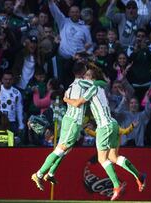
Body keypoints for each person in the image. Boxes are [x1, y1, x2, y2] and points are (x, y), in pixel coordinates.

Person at [63, 65, 146, 201]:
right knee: (113, 157)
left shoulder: (92, 87)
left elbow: (78, 103)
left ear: (92, 78)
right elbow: (102, 82)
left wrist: (66, 99)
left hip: (104, 126)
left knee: (102, 159)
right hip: (112, 124)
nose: (85, 77)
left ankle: (116, 185)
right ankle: (139, 175)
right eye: (85, 75)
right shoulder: (99, 86)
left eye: (88, 75)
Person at [31, 63, 103, 191]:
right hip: (73, 122)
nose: (88, 77)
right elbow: (99, 85)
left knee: (65, 150)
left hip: (68, 120)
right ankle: (39, 174)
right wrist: (101, 78)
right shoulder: (82, 83)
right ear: (83, 72)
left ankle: (51, 174)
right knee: (60, 149)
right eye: (87, 73)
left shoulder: (70, 86)